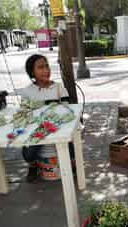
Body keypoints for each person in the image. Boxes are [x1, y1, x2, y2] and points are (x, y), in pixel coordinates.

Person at [18, 54, 74, 182]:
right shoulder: (27, 92)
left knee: (71, 151)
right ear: (32, 72)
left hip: (58, 127)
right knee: (28, 154)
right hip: (38, 130)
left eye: (47, 66)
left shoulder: (59, 88)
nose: (46, 70)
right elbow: (24, 114)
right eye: (40, 67)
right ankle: (33, 165)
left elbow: (66, 110)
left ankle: (70, 163)